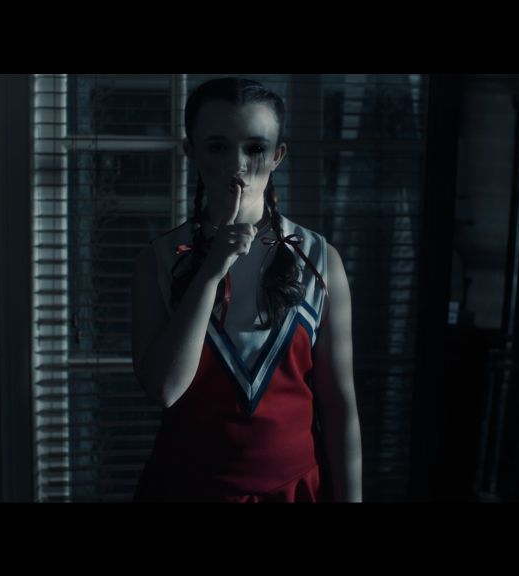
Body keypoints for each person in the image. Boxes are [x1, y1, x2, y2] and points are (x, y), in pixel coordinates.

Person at [131, 77, 362, 502]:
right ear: (192, 152)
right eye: (218, 146)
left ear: (278, 155)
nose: (237, 164)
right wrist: (212, 270)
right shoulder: (159, 260)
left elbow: (339, 405)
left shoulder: (319, 258)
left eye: (254, 148)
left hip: (294, 491)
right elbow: (164, 389)